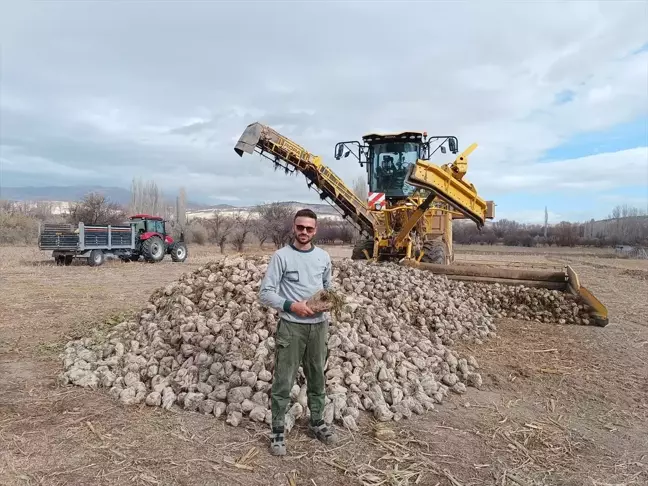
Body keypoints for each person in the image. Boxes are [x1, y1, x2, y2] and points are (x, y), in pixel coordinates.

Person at [258, 208, 338, 456]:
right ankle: (278, 430)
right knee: (284, 379)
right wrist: (292, 305)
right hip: (291, 327)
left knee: (317, 377)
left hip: (318, 327)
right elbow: (265, 293)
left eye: (309, 228)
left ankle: (317, 422)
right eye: (300, 227)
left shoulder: (323, 257)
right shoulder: (281, 257)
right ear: (294, 228)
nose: (304, 232)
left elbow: (328, 288)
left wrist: (328, 303)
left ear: (316, 230)